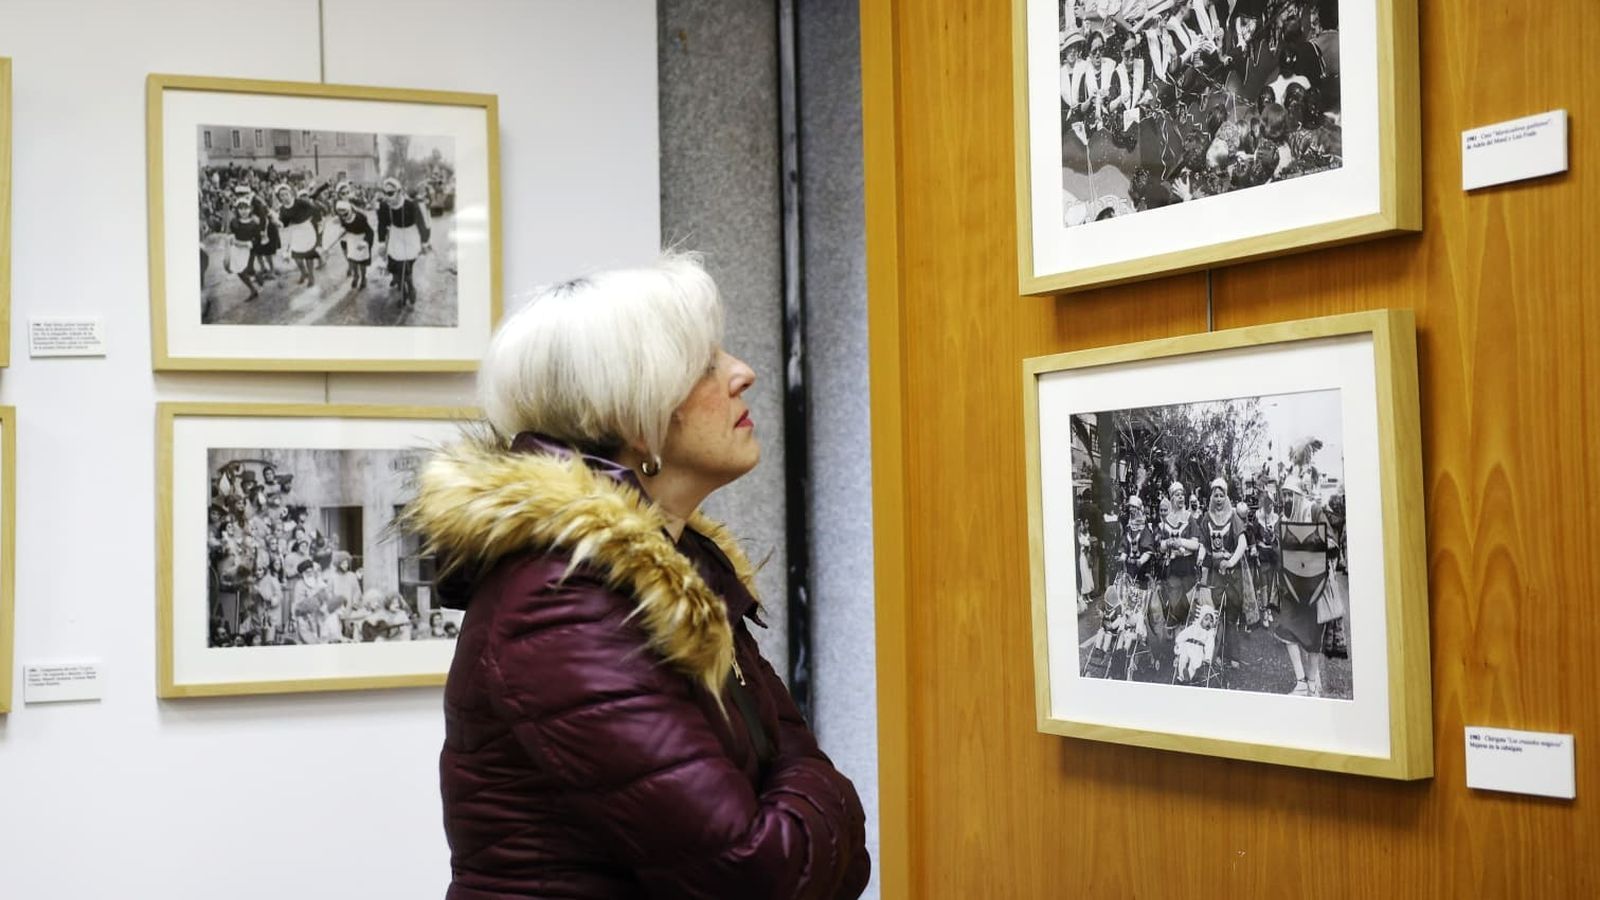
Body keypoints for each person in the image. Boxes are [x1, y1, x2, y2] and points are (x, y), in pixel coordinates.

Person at [400, 253, 870, 898]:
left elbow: (804, 822)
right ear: (629, 415)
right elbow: (763, 871)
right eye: (704, 364)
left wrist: (803, 796)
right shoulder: (561, 601)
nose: (743, 373)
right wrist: (830, 795)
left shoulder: (669, 568)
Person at [1197, 478, 1247, 666]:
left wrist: (1231, 561)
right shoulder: (1206, 517)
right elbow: (1203, 542)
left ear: (1226, 496)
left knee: (1232, 614)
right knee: (1215, 613)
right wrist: (1201, 557)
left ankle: (1233, 656)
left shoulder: (1233, 517)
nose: (1218, 499)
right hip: (1215, 573)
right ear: (1211, 497)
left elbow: (1242, 542)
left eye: (1221, 495)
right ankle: (1215, 653)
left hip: (1232, 574)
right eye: (1215, 495)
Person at [376, 177, 431, 306]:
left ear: (399, 192)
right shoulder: (384, 206)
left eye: (390, 193)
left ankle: (410, 287)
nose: (387, 197)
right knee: (395, 266)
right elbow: (382, 224)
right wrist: (381, 243)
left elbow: (422, 224)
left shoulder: (411, 205)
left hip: (410, 236)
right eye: (384, 193)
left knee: (406, 267)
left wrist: (424, 242)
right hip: (395, 236)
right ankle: (403, 292)